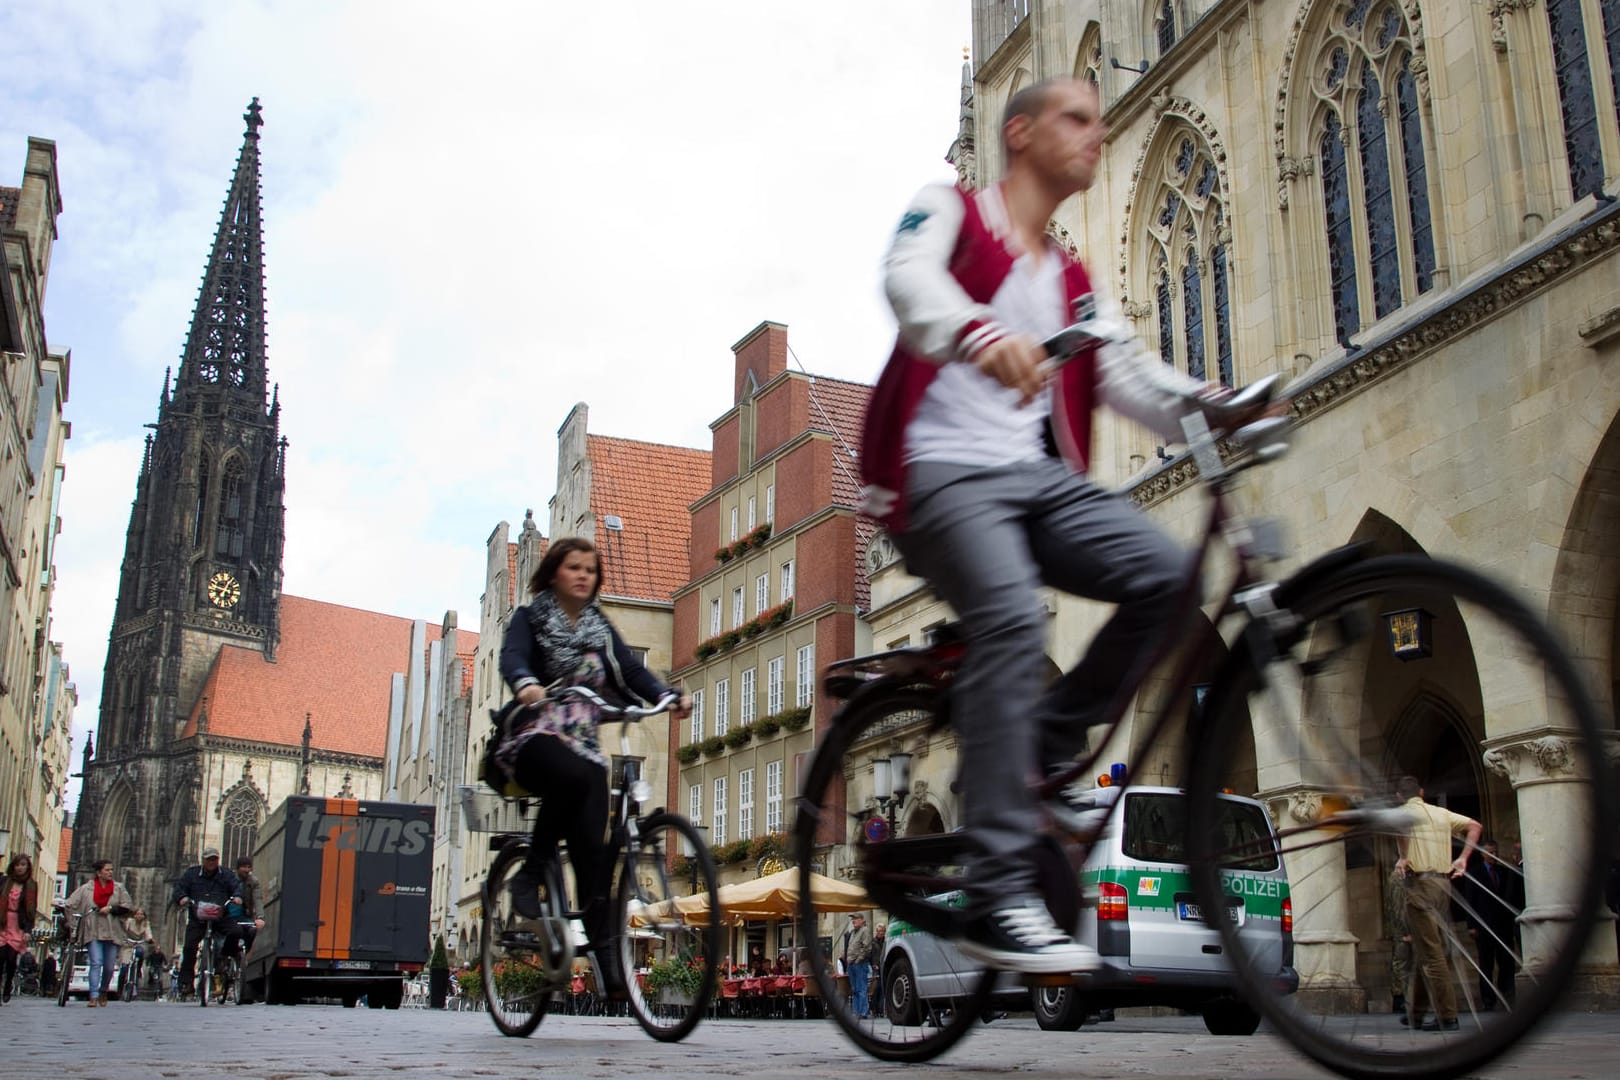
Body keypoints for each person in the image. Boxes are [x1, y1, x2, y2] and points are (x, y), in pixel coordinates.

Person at [859, 76, 1248, 974]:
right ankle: (999, 891)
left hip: (1035, 482)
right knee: (1008, 614)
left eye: (1098, 120)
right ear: (1021, 132)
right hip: (937, 474)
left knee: (1167, 575)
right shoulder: (949, 208)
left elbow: (1130, 378)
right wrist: (976, 333)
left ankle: (1048, 738)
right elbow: (907, 280)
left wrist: (1217, 405)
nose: (1097, 133)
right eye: (1077, 118)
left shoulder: (1071, 278)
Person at [496, 537, 690, 999]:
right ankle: (530, 872)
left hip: (583, 746)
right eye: (573, 567)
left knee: (596, 858)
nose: (583, 575)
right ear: (554, 573)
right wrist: (525, 684)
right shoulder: (531, 618)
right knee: (576, 775)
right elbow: (513, 657)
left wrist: (667, 695)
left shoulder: (599, 627)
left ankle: (606, 959)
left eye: (590, 568)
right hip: (532, 735)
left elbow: (631, 670)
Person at [1392, 776, 1481, 1032]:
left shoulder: (1402, 813)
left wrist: (1403, 857)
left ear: (1399, 796)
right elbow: (1475, 825)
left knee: (1433, 953)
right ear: (1421, 791)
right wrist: (1463, 858)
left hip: (1420, 884)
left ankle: (1447, 1016)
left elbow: (1402, 830)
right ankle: (1416, 1013)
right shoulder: (1441, 813)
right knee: (1425, 945)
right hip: (1443, 885)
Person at [171, 846, 242, 1000]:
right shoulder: (192, 874)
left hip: (220, 916)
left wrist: (236, 896)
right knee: (189, 947)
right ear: (203, 860)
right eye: (209, 859)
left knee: (236, 932)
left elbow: (236, 887)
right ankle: (186, 983)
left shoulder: (226, 874)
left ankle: (226, 957)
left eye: (214, 859)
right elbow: (179, 889)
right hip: (198, 917)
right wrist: (182, 897)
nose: (212, 862)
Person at [62, 859, 135, 1007]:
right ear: (99, 872)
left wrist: (111, 909)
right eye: (107, 870)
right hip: (92, 930)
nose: (110, 872)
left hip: (112, 931)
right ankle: (93, 996)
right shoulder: (86, 889)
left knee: (108, 967)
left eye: (111, 870)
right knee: (96, 963)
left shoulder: (118, 888)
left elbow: (127, 906)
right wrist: (65, 910)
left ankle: (103, 990)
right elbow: (71, 903)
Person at [1466, 839, 1522, 1010]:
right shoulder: (1474, 873)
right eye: (1490, 852)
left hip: (1503, 925)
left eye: (1495, 851)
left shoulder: (1504, 872)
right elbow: (1469, 900)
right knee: (1486, 964)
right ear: (1482, 853)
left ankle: (1507, 995)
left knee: (1506, 962)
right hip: (1484, 926)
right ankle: (1488, 1000)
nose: (1493, 855)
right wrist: (1472, 925)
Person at [1, 853, 38, 1004]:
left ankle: (8, 982)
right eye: (17, 865)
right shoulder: (4, 881)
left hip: (17, 924)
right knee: (0, 957)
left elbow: (31, 909)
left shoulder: (31, 885)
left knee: (11, 959)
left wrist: (28, 930)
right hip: (2, 922)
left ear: (28, 867)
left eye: (23, 865)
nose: (20, 868)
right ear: (13, 866)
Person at [118, 907, 156, 1001]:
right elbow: (124, 930)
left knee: (140, 952)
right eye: (137, 914)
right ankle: (120, 987)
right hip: (128, 945)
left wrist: (150, 939)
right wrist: (122, 938)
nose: (139, 916)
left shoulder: (145, 924)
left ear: (144, 916)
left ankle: (138, 968)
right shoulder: (129, 921)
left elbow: (148, 933)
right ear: (134, 915)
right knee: (124, 968)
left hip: (139, 943)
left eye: (141, 914)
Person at [841, 912, 874, 1019]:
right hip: (852, 964)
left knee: (861, 988)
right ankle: (856, 1012)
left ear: (861, 920)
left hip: (860, 963)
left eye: (855, 919)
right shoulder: (853, 932)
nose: (853, 921)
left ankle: (863, 1012)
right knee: (854, 989)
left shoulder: (864, 931)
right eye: (852, 919)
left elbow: (866, 948)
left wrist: (858, 959)